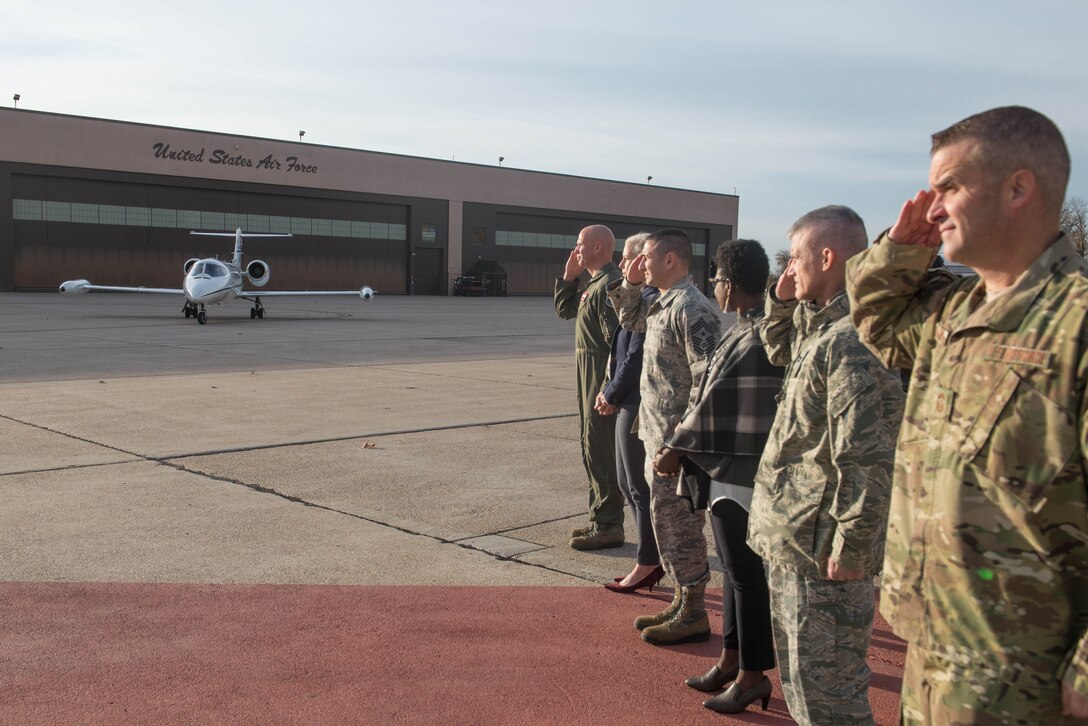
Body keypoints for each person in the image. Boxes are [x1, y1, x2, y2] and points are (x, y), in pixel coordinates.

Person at [846, 106, 1088, 724]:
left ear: (1018, 188)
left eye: (949, 187)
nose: (933, 208)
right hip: (931, 654)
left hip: (1029, 678)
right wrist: (900, 250)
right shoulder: (951, 315)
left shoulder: (1074, 324)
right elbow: (874, 319)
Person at [748, 206, 904, 725]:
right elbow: (777, 346)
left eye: (795, 257)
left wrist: (853, 548)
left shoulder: (854, 340)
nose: (789, 268)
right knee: (803, 690)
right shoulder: (822, 328)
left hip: (824, 553)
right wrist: (780, 296)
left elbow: (867, 455)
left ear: (829, 256)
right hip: (795, 539)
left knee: (831, 700)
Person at [656, 239, 781, 714]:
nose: (714, 288)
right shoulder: (749, 327)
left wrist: (675, 448)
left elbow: (712, 402)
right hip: (732, 467)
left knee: (745, 574)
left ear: (730, 283)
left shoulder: (753, 335)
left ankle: (752, 675)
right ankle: (732, 659)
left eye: (717, 280)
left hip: (739, 470)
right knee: (734, 572)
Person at [608, 228, 720, 645]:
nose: (642, 263)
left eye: (648, 258)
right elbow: (630, 318)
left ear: (670, 259)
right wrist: (632, 284)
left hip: (678, 442)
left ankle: (693, 612)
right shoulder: (662, 303)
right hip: (657, 435)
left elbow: (707, 380)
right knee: (667, 523)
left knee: (682, 525)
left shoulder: (692, 308)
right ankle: (682, 598)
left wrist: (679, 443)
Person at [594, 233, 664, 592]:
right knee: (628, 484)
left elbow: (635, 356)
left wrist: (610, 392)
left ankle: (649, 560)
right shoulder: (638, 298)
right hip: (627, 399)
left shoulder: (649, 300)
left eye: (628, 259)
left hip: (636, 402)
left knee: (638, 486)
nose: (621, 265)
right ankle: (649, 558)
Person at [555, 225, 626, 550]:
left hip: (599, 379)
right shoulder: (593, 285)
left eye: (581, 244)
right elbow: (565, 310)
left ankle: (609, 525)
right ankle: (599, 517)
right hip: (589, 377)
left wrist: (610, 388)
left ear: (598, 247)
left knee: (600, 450)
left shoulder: (610, 285)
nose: (576, 249)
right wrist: (569, 278)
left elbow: (619, 344)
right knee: (590, 447)